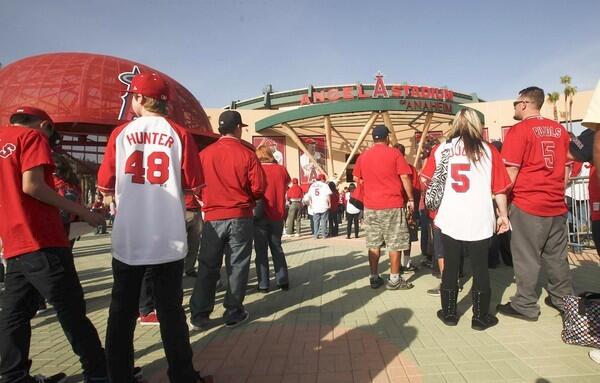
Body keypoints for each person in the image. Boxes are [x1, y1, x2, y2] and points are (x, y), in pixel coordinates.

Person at [97, 72, 212, 382]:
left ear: (137, 99)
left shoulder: (120, 134)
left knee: (121, 311)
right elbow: (194, 185)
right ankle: (183, 375)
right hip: (168, 237)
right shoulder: (179, 134)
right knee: (171, 312)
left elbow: (105, 186)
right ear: (165, 103)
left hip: (129, 237)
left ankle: (118, 375)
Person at [0, 106, 107, 382]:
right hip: (43, 239)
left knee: (15, 314)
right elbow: (33, 185)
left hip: (14, 243)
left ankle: (13, 375)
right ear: (45, 126)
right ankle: (98, 371)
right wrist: (84, 212)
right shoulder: (31, 137)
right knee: (71, 310)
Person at [422, 108, 511, 330]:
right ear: (476, 125)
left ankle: (450, 313)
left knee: (451, 265)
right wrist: (503, 215)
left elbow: (426, 180)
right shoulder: (488, 150)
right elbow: (500, 188)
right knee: (480, 268)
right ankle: (480, 318)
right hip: (480, 217)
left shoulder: (442, 148)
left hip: (450, 216)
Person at [497, 86, 574, 321]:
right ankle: (563, 299)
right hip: (556, 203)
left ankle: (525, 304)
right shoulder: (559, 130)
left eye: (515, 103)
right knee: (557, 256)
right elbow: (567, 168)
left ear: (524, 103)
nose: (514, 107)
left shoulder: (519, 131)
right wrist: (558, 191)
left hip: (528, 203)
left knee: (526, 256)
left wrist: (502, 201)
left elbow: (510, 170)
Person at [189, 110, 265, 331]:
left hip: (213, 216)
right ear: (238, 127)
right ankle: (233, 311)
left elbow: (195, 185)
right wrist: (248, 199)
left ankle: (200, 314)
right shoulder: (247, 153)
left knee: (207, 264)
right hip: (240, 215)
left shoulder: (205, 154)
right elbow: (259, 187)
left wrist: (207, 200)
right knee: (237, 265)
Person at [353, 125, 415, 290]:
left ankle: (374, 276)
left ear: (373, 138)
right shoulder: (394, 153)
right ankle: (394, 279)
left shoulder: (363, 156)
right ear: (387, 137)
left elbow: (357, 179)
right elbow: (404, 176)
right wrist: (410, 198)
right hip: (392, 204)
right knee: (395, 243)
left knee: (373, 243)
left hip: (371, 206)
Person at [253, 145, 291, 292]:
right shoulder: (281, 169)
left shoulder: (256, 169)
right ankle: (283, 280)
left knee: (261, 251)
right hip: (277, 214)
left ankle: (263, 284)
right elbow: (286, 185)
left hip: (260, 214)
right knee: (277, 248)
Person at [393, 143, 420, 274]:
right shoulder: (410, 168)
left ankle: (396, 265)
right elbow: (416, 188)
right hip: (407, 205)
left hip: (392, 205)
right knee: (408, 234)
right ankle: (406, 262)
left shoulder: (389, 168)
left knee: (394, 235)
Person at [305, 174, 332, 239]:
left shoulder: (312, 185)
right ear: (322, 179)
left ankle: (315, 235)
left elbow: (309, 196)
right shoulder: (325, 185)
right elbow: (328, 195)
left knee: (316, 221)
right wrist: (329, 203)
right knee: (324, 221)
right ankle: (324, 235)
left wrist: (311, 203)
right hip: (323, 205)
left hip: (315, 205)